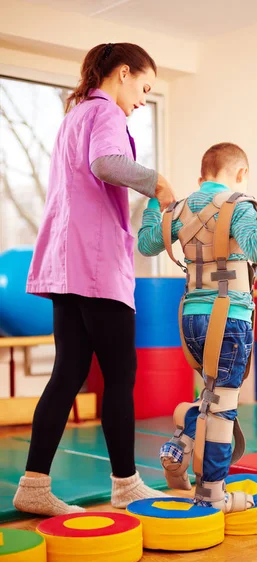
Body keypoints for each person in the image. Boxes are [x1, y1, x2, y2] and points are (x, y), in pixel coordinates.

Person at [13, 42, 174, 517]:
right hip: (95, 267)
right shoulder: (106, 113)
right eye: (144, 86)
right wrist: (159, 183)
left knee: (68, 373)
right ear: (123, 73)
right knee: (121, 376)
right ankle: (126, 485)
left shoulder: (73, 117)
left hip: (66, 266)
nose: (143, 99)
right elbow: (106, 165)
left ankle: (34, 485)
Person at [138, 142, 257, 513]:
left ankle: (183, 445)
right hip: (228, 317)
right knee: (223, 405)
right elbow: (256, 248)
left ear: (201, 177)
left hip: (190, 317)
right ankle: (212, 495)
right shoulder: (240, 203)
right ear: (240, 174)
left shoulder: (180, 208)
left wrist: (153, 205)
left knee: (210, 394)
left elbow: (146, 244)